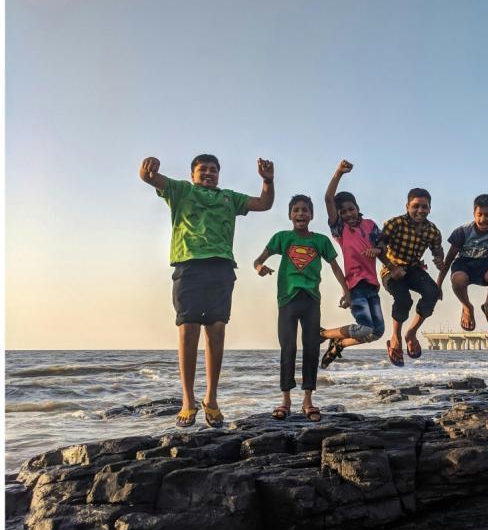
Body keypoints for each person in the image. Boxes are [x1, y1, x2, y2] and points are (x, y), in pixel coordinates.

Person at [139, 154, 274, 428]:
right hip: (188, 266)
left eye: (213, 170)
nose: (209, 173)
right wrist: (148, 168)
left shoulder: (229, 197)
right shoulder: (181, 190)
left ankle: (211, 399)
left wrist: (267, 181)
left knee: (216, 330)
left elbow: (264, 203)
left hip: (221, 267)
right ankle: (188, 400)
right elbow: (150, 178)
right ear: (193, 174)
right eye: (203, 170)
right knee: (188, 330)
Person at [253, 195, 350, 422]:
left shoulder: (321, 241)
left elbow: (335, 267)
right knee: (287, 349)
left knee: (311, 349)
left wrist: (347, 290)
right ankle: (285, 400)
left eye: (305, 210)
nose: (301, 214)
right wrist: (259, 266)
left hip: (311, 299)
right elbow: (258, 259)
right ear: (290, 215)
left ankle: (308, 400)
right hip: (287, 299)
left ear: (312, 215)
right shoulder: (282, 238)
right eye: (296, 210)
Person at [319, 160, 386, 368]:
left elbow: (382, 244)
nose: (348, 214)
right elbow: (329, 198)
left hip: (372, 285)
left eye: (351, 209)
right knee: (365, 329)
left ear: (357, 208)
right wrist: (339, 172)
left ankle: (339, 344)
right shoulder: (341, 231)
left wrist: (378, 249)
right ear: (339, 216)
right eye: (344, 212)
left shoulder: (370, 225)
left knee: (378, 332)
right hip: (355, 285)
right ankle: (324, 334)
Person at [436, 194, 488, 330]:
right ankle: (467, 307)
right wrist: (438, 285)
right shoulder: (462, 231)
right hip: (463, 264)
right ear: (474, 214)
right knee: (458, 279)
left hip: (484, 265)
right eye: (479, 214)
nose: (483, 219)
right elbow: (448, 261)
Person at [380, 189, 445, 366]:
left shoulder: (432, 230)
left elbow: (438, 249)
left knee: (432, 292)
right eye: (416, 206)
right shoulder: (395, 223)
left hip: (414, 269)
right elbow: (379, 248)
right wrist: (392, 267)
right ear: (407, 206)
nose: (420, 210)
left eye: (424, 207)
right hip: (391, 270)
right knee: (404, 300)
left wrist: (439, 259)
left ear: (430, 209)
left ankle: (411, 333)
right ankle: (395, 337)